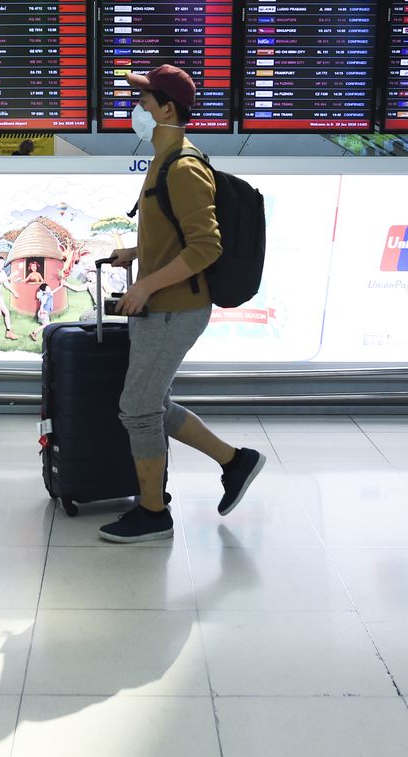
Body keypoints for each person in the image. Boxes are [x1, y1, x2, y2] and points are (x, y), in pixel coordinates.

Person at [101, 64, 264, 543]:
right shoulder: (164, 159)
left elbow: (205, 247)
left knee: (137, 407)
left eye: (144, 101)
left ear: (167, 108)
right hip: (163, 305)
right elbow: (176, 237)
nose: (137, 110)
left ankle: (153, 513)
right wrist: (136, 254)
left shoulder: (185, 166)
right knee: (153, 403)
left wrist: (147, 286)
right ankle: (236, 461)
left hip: (175, 308)